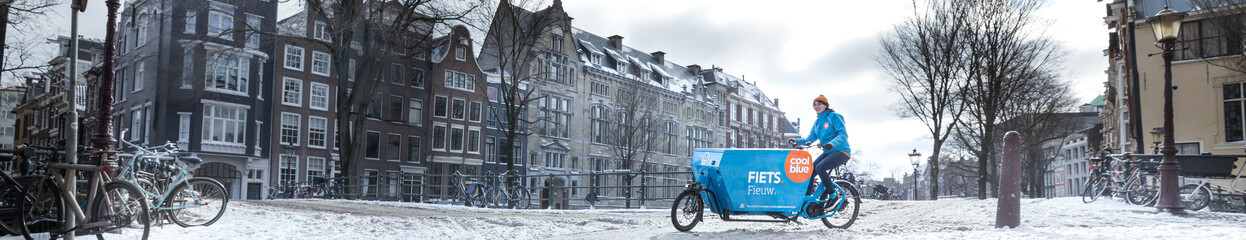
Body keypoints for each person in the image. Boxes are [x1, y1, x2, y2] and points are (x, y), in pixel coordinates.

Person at [788, 95, 851, 198]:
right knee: (810, 171)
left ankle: (833, 195)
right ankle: (806, 199)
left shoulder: (834, 116)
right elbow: (809, 139)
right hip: (828, 152)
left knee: (820, 167)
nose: (816, 106)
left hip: (841, 152)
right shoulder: (817, 122)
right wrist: (796, 141)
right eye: (814, 105)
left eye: (819, 104)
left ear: (826, 105)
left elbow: (843, 134)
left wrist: (832, 144)